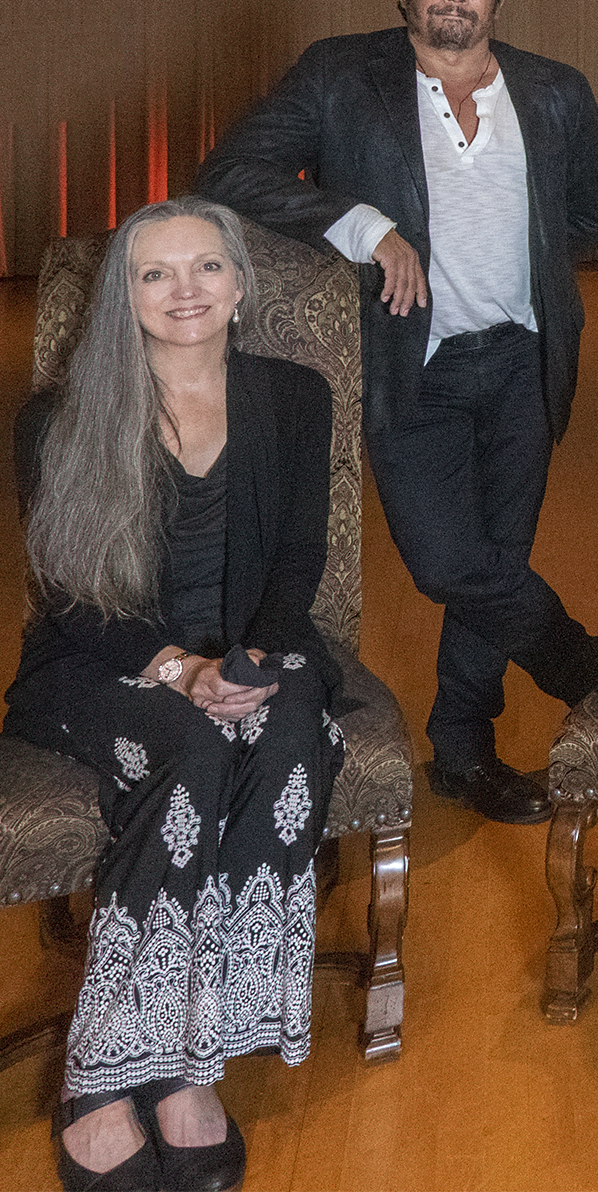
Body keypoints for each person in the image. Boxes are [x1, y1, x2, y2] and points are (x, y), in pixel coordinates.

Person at [196, 0, 598, 825]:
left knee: (496, 562)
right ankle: (592, 668)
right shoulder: (341, 74)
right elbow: (231, 171)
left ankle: (465, 751)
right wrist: (362, 227)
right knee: (447, 561)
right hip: (409, 365)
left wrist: (522, 262)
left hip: (521, 360)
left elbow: (593, 214)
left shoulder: (555, 91)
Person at [7, 200, 343, 1192]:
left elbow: (297, 562)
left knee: (289, 737)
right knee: (191, 753)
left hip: (250, 648)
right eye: (157, 274)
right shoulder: (55, 419)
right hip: (103, 664)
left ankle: (186, 1066)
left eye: (207, 268)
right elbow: (69, 597)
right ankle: (105, 1082)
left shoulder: (295, 396)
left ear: (240, 285)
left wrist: (247, 664)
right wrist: (176, 671)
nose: (185, 291)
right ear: (127, 295)